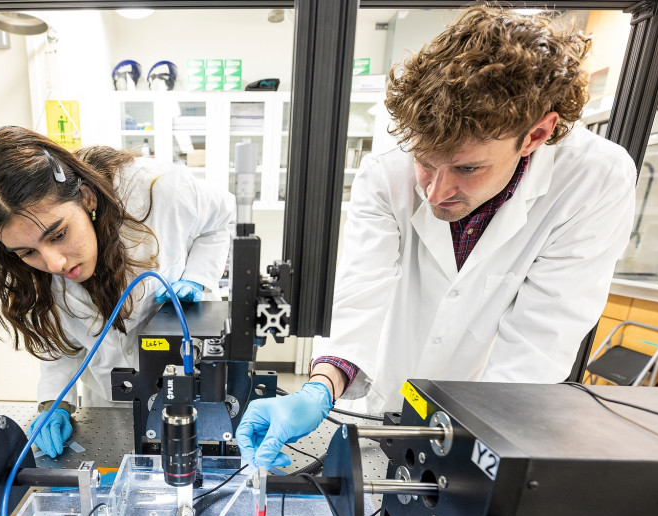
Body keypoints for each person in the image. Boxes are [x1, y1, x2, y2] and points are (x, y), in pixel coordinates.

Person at [237, 6, 636, 468]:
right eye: (425, 162)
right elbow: (361, 292)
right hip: (385, 401)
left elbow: (541, 338)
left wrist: (477, 448)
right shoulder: (387, 169)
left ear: (536, 134)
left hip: (492, 414)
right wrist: (321, 386)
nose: (436, 192)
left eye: (467, 168)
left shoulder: (593, 179)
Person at [0, 126, 233, 457]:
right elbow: (61, 343)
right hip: (111, 401)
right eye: (27, 252)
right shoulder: (28, 268)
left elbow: (221, 219)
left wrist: (198, 278)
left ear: (87, 196)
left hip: (194, 386)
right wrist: (53, 404)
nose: (54, 263)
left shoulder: (156, 190)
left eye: (58, 235)